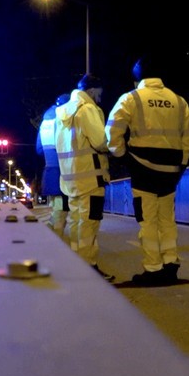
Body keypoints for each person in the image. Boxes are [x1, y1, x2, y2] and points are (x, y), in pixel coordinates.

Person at [106, 56, 189, 285]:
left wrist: (122, 155)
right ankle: (171, 262)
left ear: (137, 78)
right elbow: (188, 137)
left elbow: (112, 132)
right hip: (170, 169)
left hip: (142, 167)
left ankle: (153, 268)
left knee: (147, 219)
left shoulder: (131, 98)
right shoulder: (179, 100)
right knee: (167, 219)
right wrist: (182, 164)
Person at [54, 74, 114, 281]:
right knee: (90, 223)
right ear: (91, 91)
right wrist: (113, 145)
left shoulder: (62, 114)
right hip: (92, 178)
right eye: (99, 92)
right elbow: (100, 142)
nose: (101, 96)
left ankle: (78, 267)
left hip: (71, 179)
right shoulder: (87, 109)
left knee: (77, 223)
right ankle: (88, 270)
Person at [36, 93, 71, 239]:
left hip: (49, 171)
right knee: (61, 212)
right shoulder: (63, 119)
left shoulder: (45, 122)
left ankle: (48, 236)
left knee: (58, 209)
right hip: (63, 171)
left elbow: (38, 149)